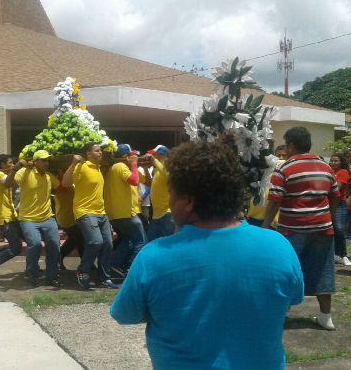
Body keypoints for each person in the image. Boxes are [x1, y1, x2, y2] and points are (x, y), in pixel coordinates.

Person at [111, 141, 304, 370]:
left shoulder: (154, 256)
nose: (170, 203)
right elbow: (291, 299)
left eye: (172, 194)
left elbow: (125, 314)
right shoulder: (278, 246)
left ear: (188, 201)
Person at [263, 127, 340, 331]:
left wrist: (265, 225)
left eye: (286, 145)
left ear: (291, 145)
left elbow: (274, 201)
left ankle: (280, 315)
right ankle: (326, 317)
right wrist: (328, 217)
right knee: (324, 270)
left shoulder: (284, 169)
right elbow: (335, 195)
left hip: (291, 229)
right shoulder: (325, 167)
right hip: (323, 228)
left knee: (286, 270)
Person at [62, 143, 118, 289]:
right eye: (97, 151)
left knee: (107, 244)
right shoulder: (82, 166)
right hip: (85, 212)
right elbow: (66, 183)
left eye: (101, 151)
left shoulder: (98, 168)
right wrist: (73, 163)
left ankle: (104, 278)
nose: (100, 153)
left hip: (101, 213)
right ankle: (83, 269)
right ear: (88, 153)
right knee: (96, 242)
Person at [4, 150, 61, 287]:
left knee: (54, 244)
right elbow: (8, 183)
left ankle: (52, 276)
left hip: (47, 217)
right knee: (35, 244)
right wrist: (16, 167)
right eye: (43, 160)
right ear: (35, 161)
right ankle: (32, 273)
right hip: (28, 218)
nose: (46, 163)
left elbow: (60, 185)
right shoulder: (25, 172)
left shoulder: (49, 176)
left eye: (48, 160)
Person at [104, 144, 147, 274]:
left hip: (115, 214)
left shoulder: (112, 168)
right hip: (126, 213)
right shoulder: (121, 166)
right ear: (125, 156)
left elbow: (143, 180)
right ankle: (136, 270)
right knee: (140, 241)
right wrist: (134, 164)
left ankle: (115, 263)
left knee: (128, 240)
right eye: (130, 155)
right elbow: (134, 181)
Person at [146, 145, 175, 241]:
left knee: (170, 242)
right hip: (157, 214)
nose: (152, 156)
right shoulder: (158, 169)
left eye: (154, 154)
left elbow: (168, 175)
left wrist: (154, 161)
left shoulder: (168, 166)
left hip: (166, 213)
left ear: (161, 155)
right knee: (151, 243)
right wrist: (146, 168)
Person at [329, 153, 351, 266]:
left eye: (336, 161)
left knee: (339, 228)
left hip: (339, 203)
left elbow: (337, 187)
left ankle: (344, 255)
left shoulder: (343, 172)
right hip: (329, 203)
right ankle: (335, 254)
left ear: (341, 162)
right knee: (331, 229)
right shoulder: (330, 172)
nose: (333, 163)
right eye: (332, 161)